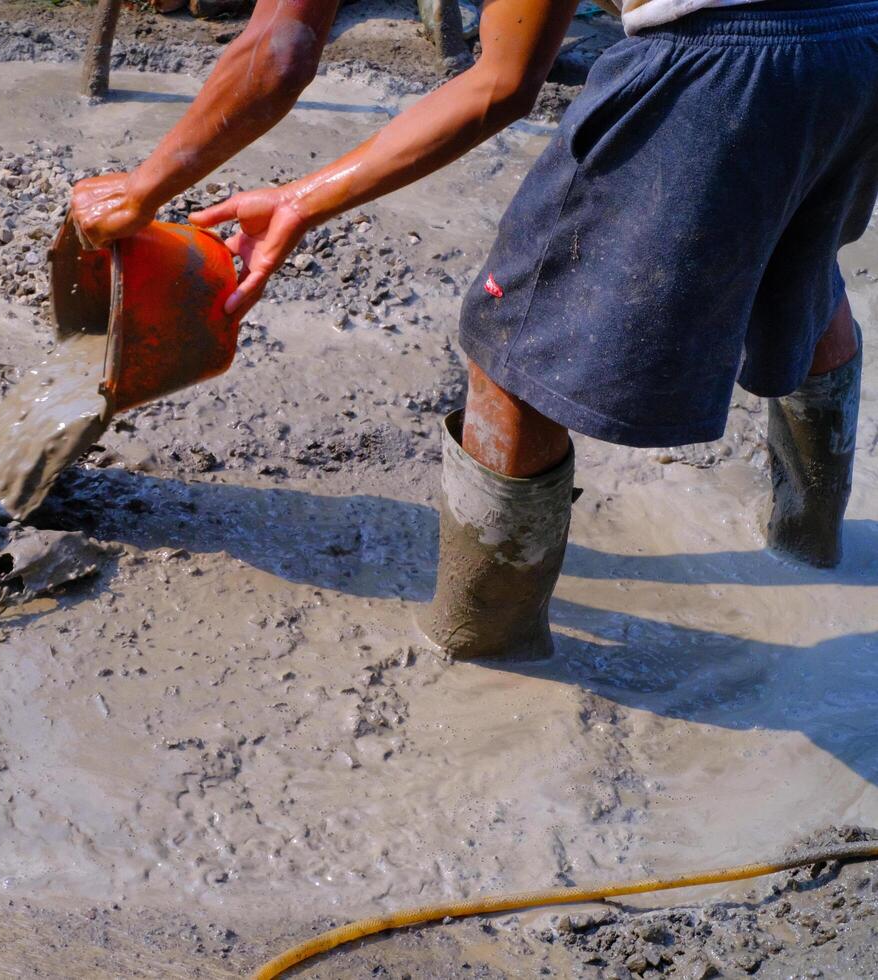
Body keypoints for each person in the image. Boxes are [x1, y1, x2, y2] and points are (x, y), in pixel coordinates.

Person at [71, 0, 877, 659]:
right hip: (858, 38)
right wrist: (296, 201)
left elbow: (477, 80)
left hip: (719, 58)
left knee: (513, 349)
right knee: (796, 266)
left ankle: (487, 644)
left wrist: (150, 184)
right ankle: (810, 539)